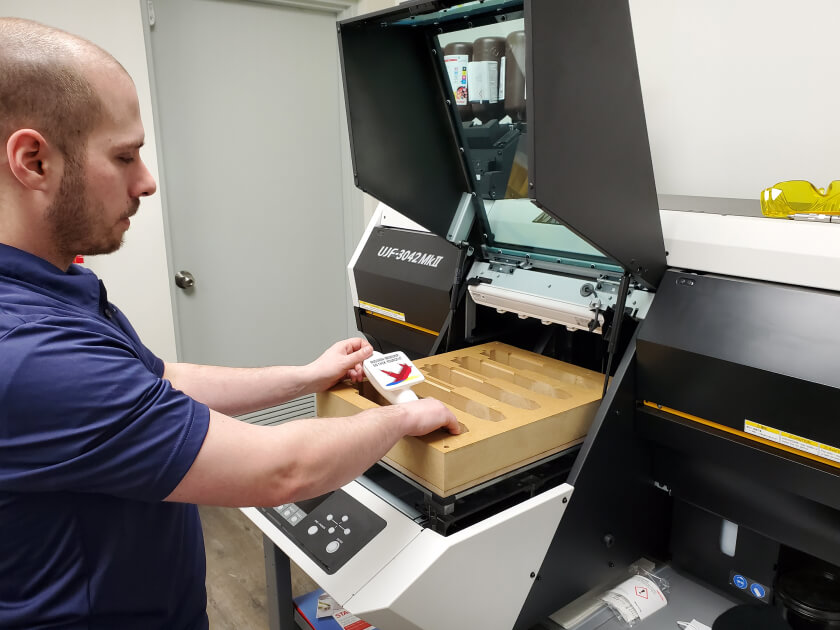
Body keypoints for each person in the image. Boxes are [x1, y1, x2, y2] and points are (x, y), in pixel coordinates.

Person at [0, 17, 459, 630]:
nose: (147, 181)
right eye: (124, 155)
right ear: (33, 160)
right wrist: (404, 415)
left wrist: (305, 377)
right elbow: (280, 470)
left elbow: (160, 381)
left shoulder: (48, 289)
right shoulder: (28, 352)